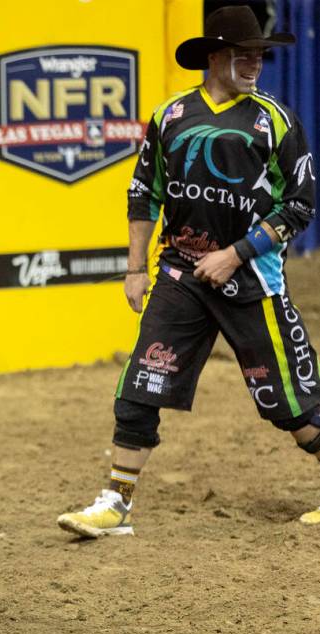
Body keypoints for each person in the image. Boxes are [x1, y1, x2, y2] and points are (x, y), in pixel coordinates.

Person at [58, 5, 319, 539]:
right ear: (215, 56)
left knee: (292, 407)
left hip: (253, 280)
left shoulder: (275, 121)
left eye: (260, 55)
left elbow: (299, 205)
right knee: (139, 386)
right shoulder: (171, 117)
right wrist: (135, 269)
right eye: (245, 54)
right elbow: (142, 192)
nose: (255, 63)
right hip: (179, 274)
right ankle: (114, 505)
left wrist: (235, 253)